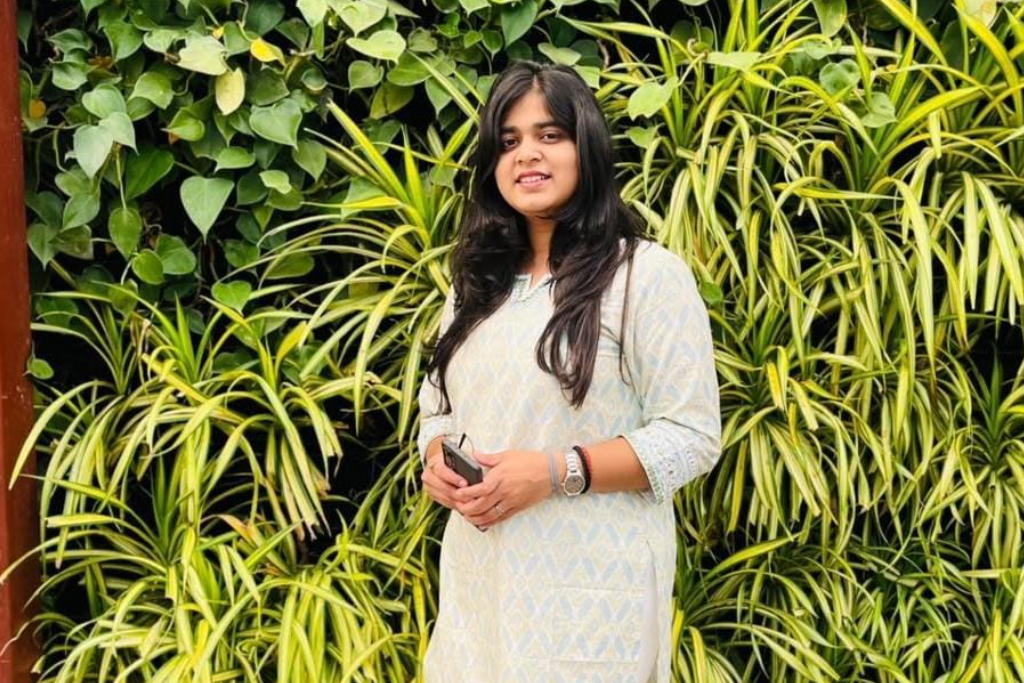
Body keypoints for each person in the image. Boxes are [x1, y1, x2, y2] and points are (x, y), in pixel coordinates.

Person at [416, 60, 722, 683]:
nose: (527, 154)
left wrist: (555, 472)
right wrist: (437, 461)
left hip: (593, 597)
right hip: (480, 587)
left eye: (549, 135)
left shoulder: (644, 277)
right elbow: (438, 409)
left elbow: (692, 436)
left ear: (587, 146)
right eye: (508, 141)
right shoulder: (476, 287)